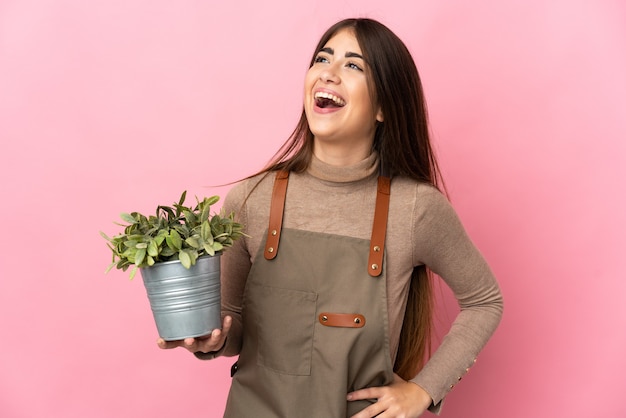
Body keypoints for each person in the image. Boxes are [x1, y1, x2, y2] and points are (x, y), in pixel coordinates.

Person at [158, 17, 503, 417]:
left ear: (383, 107)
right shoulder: (252, 197)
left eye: (353, 65)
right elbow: (232, 324)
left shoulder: (415, 209)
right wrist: (207, 337)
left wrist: (423, 390)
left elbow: (485, 300)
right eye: (323, 58)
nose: (329, 72)